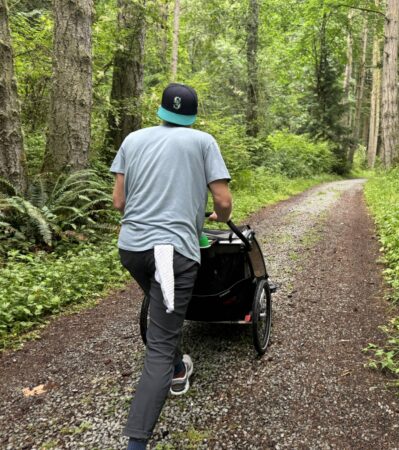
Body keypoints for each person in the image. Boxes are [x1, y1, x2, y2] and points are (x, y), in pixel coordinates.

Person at [110, 83, 233, 450]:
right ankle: (137, 441)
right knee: (160, 344)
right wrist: (217, 214)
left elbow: (119, 202)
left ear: (160, 110)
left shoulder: (132, 140)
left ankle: (179, 367)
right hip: (173, 253)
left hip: (132, 248)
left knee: (163, 311)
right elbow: (223, 200)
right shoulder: (202, 142)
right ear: (192, 116)